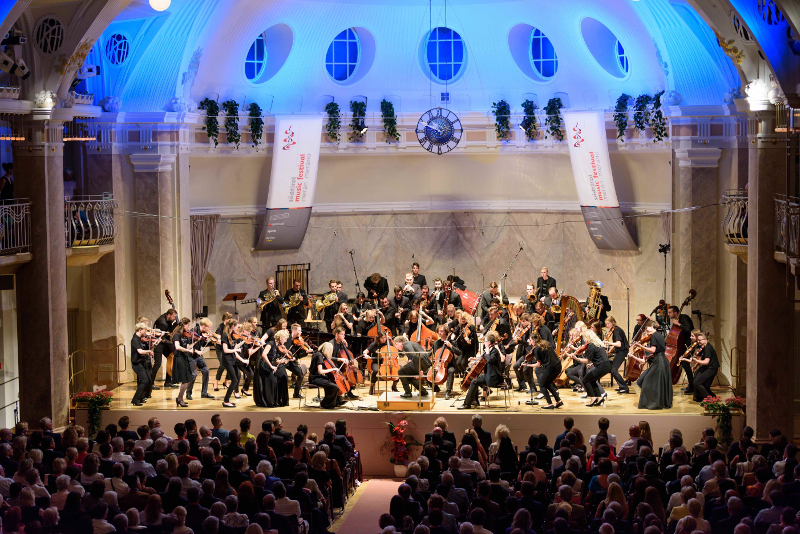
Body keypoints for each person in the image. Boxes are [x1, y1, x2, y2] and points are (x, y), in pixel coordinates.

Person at [631, 320, 674, 410]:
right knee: (657, 383)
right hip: (662, 360)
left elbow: (653, 350)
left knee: (646, 382)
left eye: (647, 327)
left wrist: (641, 346)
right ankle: (658, 401)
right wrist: (649, 356)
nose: (646, 329)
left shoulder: (654, 336)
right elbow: (660, 349)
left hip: (659, 362)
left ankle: (654, 402)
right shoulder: (659, 335)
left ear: (651, 326)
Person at [569, 324, 610, 407]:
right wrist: (592, 363)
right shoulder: (598, 343)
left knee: (585, 380)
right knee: (592, 380)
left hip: (601, 366)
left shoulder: (591, 346)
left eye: (584, 337)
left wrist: (576, 358)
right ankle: (599, 398)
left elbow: (586, 360)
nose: (584, 339)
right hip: (606, 365)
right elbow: (599, 357)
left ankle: (592, 399)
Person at [460, 331, 503, 409]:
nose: (484, 342)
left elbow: (489, 360)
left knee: (474, 381)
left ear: (489, 342)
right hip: (488, 375)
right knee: (475, 379)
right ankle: (474, 400)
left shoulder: (494, 351)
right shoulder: (489, 350)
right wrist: (474, 358)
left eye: (485, 341)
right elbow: (483, 359)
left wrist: (487, 353)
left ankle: (467, 404)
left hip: (494, 378)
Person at [171, 318, 201, 408]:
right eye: (188, 325)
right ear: (183, 324)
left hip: (184, 357)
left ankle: (180, 398)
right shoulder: (176, 335)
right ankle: (180, 399)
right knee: (185, 380)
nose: (188, 327)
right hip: (179, 358)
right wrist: (188, 350)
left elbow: (187, 346)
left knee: (188, 379)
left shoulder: (184, 335)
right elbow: (177, 347)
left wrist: (196, 341)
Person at [527, 338, 563, 409]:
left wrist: (528, 365)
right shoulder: (546, 343)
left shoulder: (537, 349)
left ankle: (550, 404)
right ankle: (558, 401)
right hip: (558, 366)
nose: (530, 341)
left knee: (542, 384)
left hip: (551, 367)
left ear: (534, 340)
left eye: (531, 340)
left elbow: (538, 364)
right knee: (548, 383)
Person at [309, 342, 347, 409]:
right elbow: (320, 371)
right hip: (314, 378)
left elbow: (329, 359)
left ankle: (333, 403)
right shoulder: (319, 356)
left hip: (316, 376)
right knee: (334, 386)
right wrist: (333, 369)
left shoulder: (319, 353)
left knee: (332, 382)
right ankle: (325, 403)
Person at [667, 304, 695, 393]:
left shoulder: (684, 318)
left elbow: (689, 329)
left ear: (675, 312)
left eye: (670, 312)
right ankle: (691, 385)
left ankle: (692, 387)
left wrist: (678, 324)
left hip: (687, 345)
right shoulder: (676, 320)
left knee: (686, 365)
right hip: (680, 346)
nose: (668, 314)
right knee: (684, 365)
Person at [429, 324, 461, 399]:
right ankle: (436, 387)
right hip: (437, 364)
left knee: (451, 371)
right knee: (427, 372)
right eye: (438, 331)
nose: (439, 333)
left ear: (446, 332)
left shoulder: (452, 342)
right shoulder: (436, 343)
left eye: (441, 331)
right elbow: (430, 352)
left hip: (449, 364)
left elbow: (459, 352)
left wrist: (451, 346)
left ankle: (448, 391)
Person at [221, 320, 245, 408]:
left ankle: (227, 399)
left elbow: (233, 347)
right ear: (232, 326)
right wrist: (236, 350)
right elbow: (225, 350)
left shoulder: (230, 335)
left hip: (232, 359)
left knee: (238, 376)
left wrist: (240, 344)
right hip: (227, 360)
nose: (237, 328)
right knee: (234, 380)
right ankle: (226, 401)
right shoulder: (224, 335)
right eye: (237, 326)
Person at [152, 309, 179, 390]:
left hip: (164, 343)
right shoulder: (162, 322)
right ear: (169, 315)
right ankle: (150, 383)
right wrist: (172, 343)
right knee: (157, 363)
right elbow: (162, 338)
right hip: (158, 344)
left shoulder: (168, 319)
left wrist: (175, 326)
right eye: (174, 316)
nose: (175, 318)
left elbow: (169, 330)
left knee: (171, 358)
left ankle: (168, 382)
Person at [688, 332, 719, 402]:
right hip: (707, 367)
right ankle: (698, 396)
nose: (698, 341)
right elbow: (701, 357)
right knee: (696, 374)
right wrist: (695, 365)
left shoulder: (708, 348)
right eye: (698, 340)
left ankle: (709, 399)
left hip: (711, 368)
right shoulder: (704, 347)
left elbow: (706, 362)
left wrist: (696, 361)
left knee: (697, 383)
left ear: (705, 339)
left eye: (700, 340)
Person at [603, 316, 630, 394]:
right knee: (613, 370)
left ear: (613, 322)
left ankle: (624, 387)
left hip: (622, 351)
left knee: (614, 370)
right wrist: (610, 351)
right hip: (620, 351)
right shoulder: (615, 330)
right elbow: (615, 345)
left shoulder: (617, 330)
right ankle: (622, 386)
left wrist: (608, 343)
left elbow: (618, 344)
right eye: (606, 324)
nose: (607, 325)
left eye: (608, 323)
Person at [253, 332, 280, 408]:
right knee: (271, 381)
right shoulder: (270, 344)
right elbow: (264, 355)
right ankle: (268, 402)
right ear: (280, 338)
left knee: (274, 381)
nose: (285, 340)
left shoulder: (276, 345)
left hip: (268, 366)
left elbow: (272, 357)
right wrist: (271, 366)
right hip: (263, 365)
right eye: (284, 338)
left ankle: (272, 401)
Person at [130, 323, 154, 406]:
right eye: (145, 330)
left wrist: (149, 350)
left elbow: (144, 350)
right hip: (137, 363)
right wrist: (149, 352)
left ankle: (141, 397)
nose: (146, 332)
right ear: (140, 330)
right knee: (144, 381)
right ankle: (135, 399)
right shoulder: (135, 340)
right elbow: (140, 351)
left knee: (149, 381)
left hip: (142, 362)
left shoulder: (140, 339)